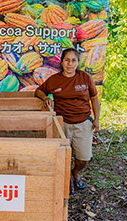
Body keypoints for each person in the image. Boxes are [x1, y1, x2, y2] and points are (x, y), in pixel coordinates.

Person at [35, 48, 100, 194]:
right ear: (62, 62)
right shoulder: (55, 79)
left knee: (83, 158)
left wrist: (96, 119)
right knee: (63, 156)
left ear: (77, 62)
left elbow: (94, 98)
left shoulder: (85, 77)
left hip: (83, 122)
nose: (70, 64)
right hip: (61, 123)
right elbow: (39, 91)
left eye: (73, 60)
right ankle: (67, 179)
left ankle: (75, 172)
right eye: (67, 60)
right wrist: (45, 98)